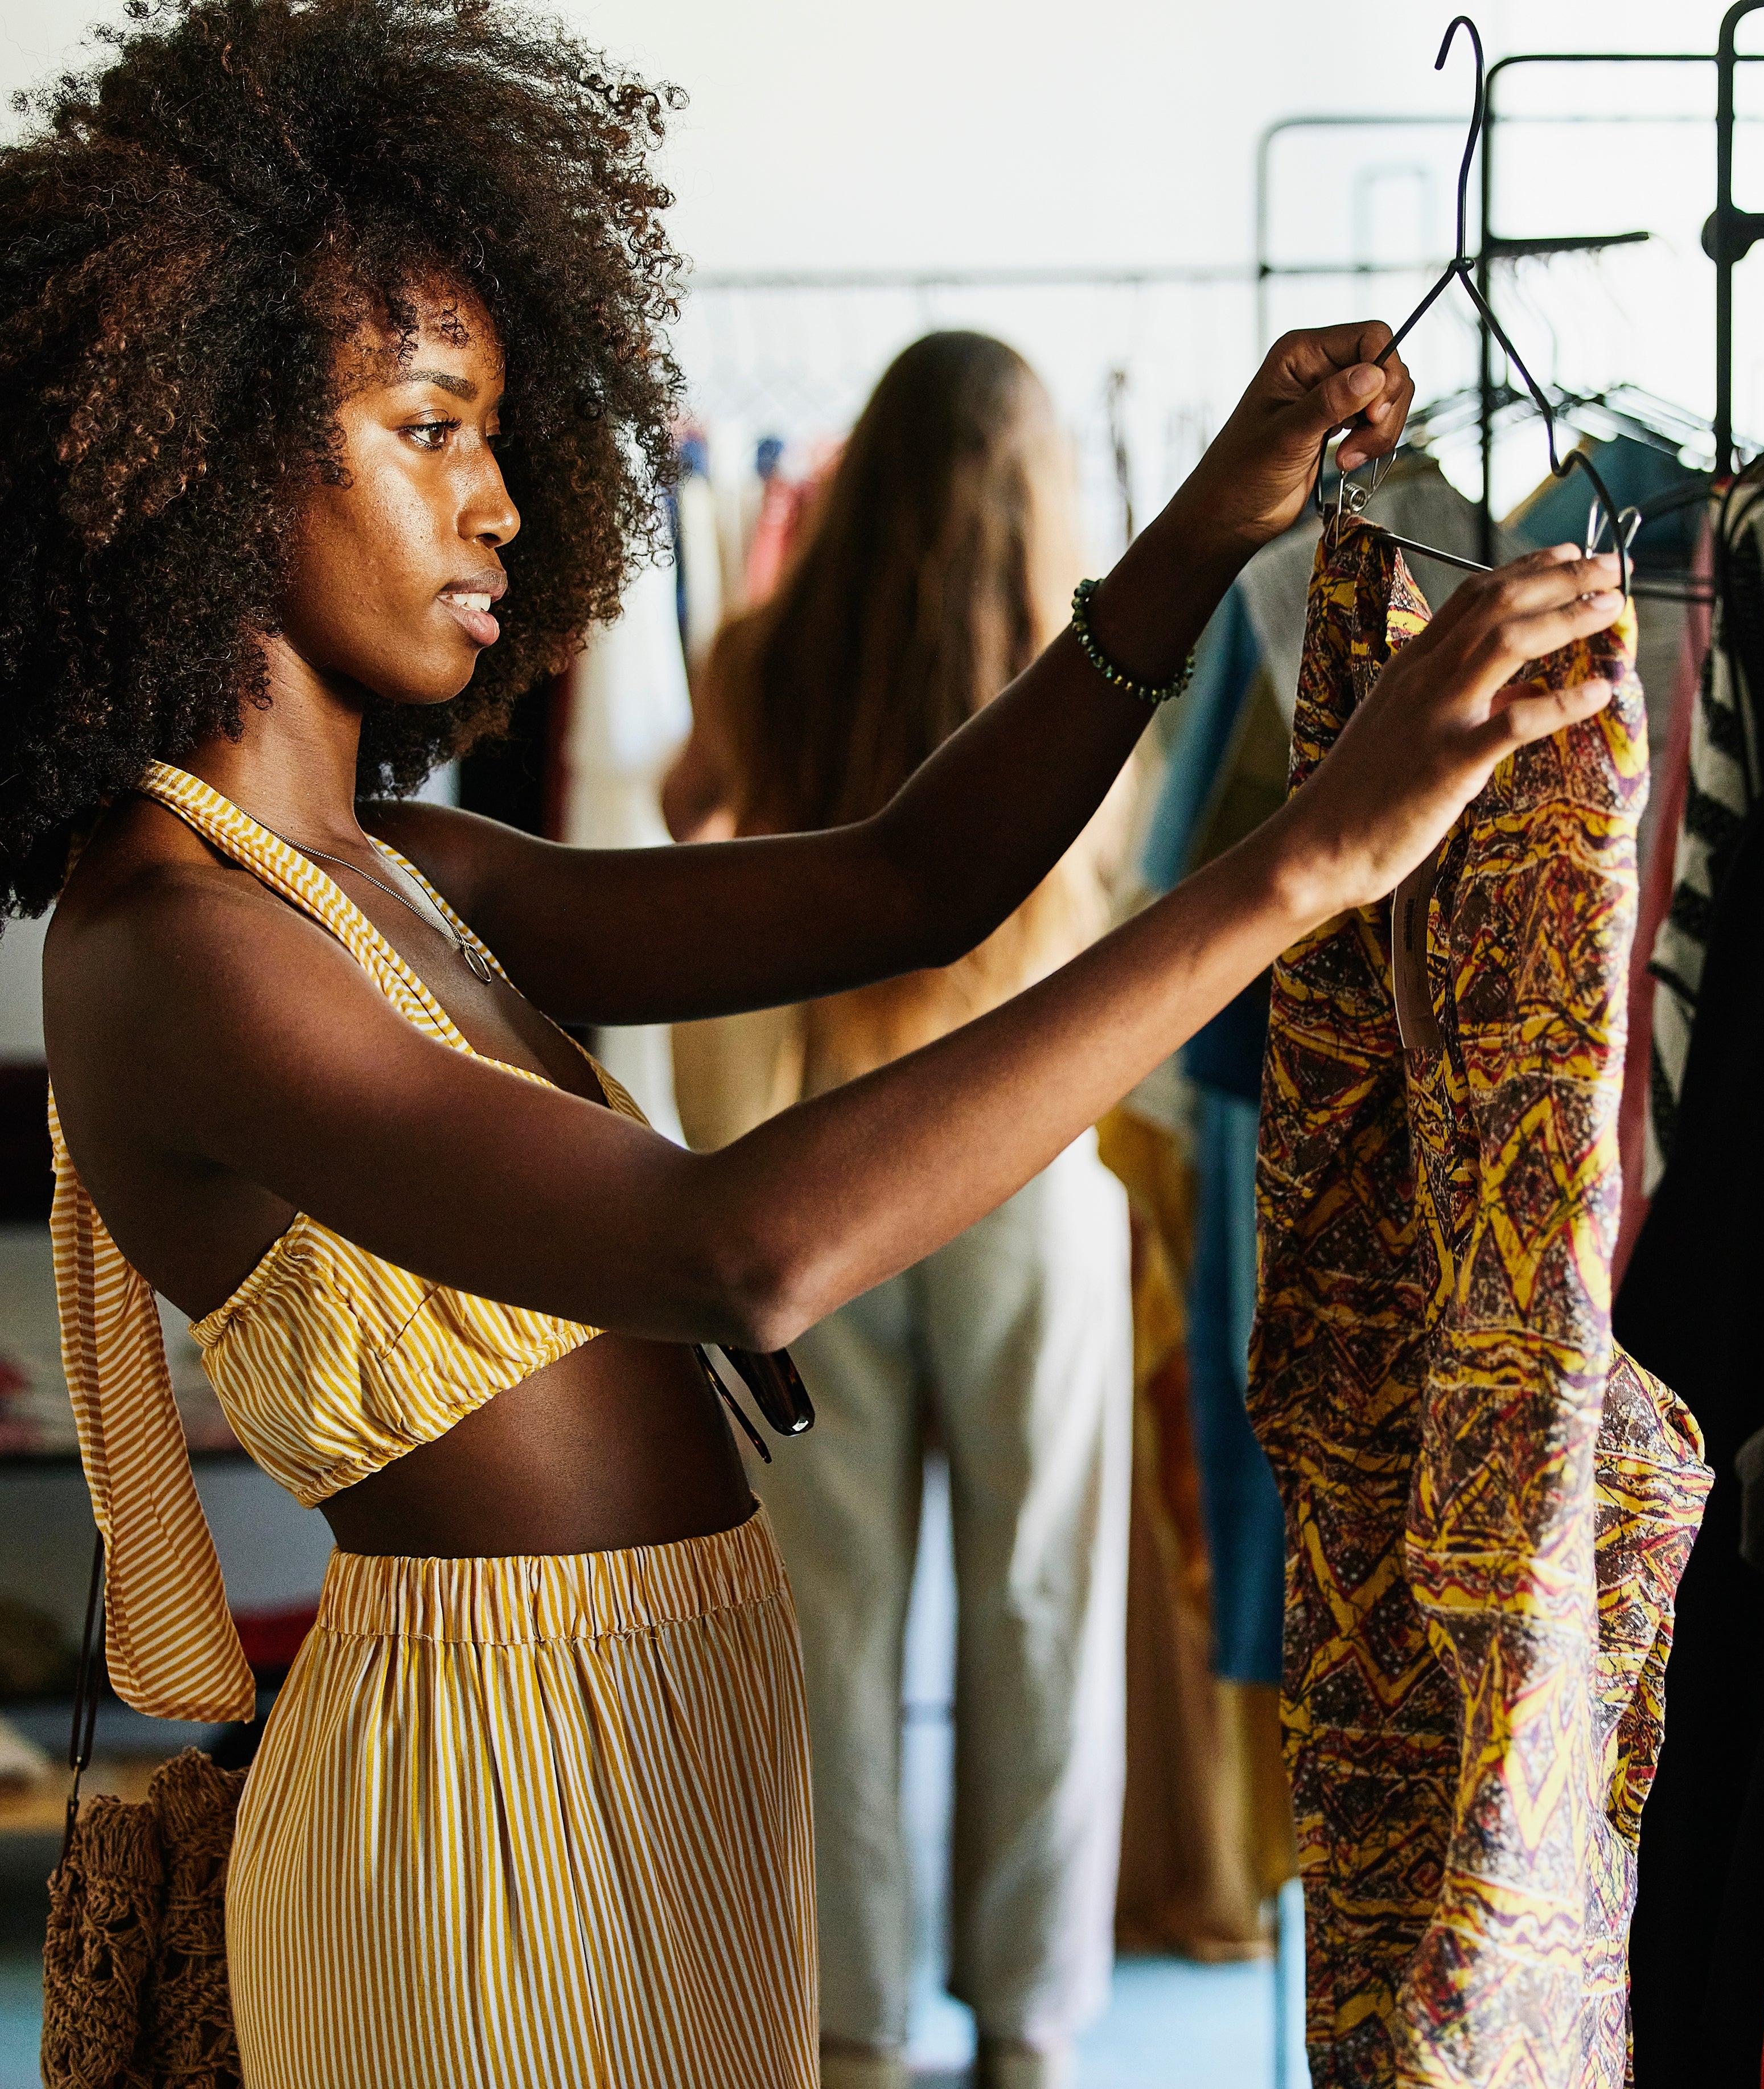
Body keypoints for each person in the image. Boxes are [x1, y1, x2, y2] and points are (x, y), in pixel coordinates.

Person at [0, 3, 1627, 2084]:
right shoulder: (172, 948)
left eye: (492, 436)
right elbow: (736, 1250)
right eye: (429, 429)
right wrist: (1303, 864)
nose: (500, 509)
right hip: (474, 1824)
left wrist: (1209, 527)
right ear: (204, 455)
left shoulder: (402, 870)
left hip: (677, 1752)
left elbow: (913, 881)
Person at [663, 332, 1138, 2089]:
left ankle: (852, 2026)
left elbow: (683, 837)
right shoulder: (1093, 684)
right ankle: (1027, 2031)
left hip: (830, 1175)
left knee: (833, 1618)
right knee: (1037, 1611)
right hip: (1023, 1179)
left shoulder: (759, 660)